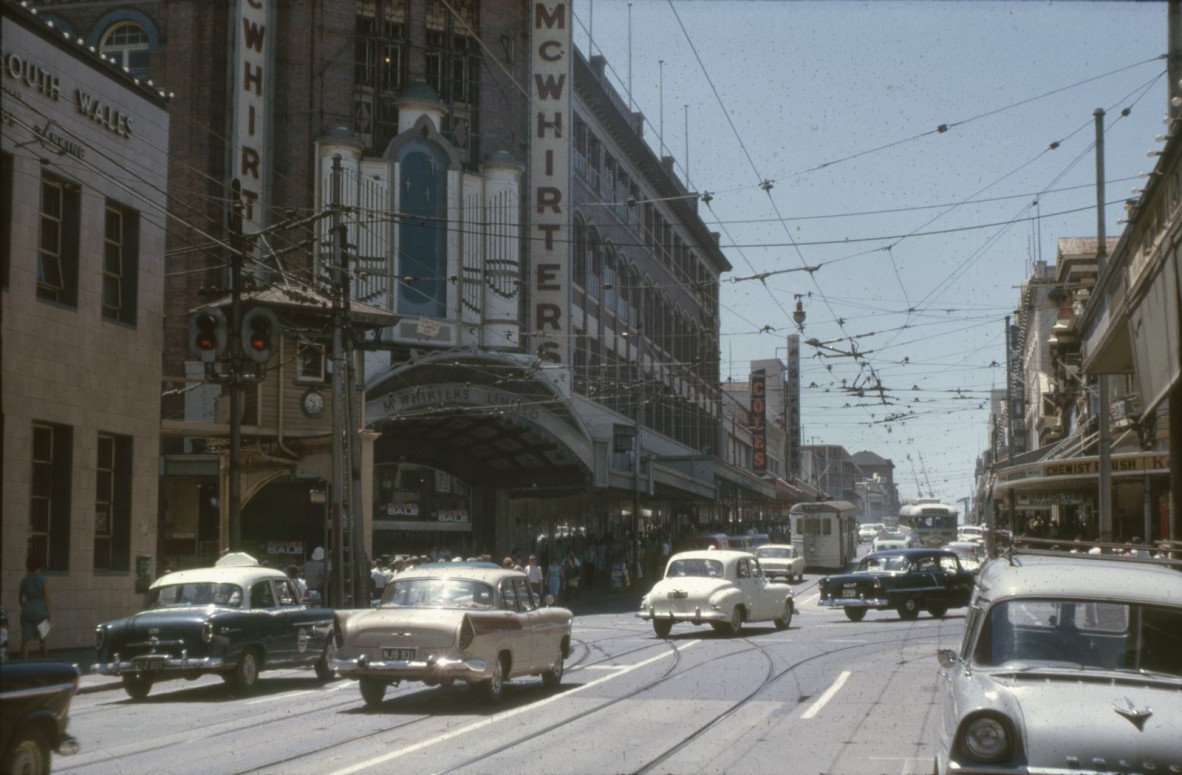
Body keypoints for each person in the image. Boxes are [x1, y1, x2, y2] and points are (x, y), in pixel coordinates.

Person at [19, 557, 50, 659]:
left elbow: (20, 598)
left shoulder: (24, 581)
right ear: (39, 567)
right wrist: (49, 613)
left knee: (25, 640)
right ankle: (44, 660)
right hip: (40, 609)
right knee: (43, 638)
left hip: (27, 609)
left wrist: (25, 606)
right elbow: (46, 598)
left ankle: (23, 662)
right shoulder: (43, 580)